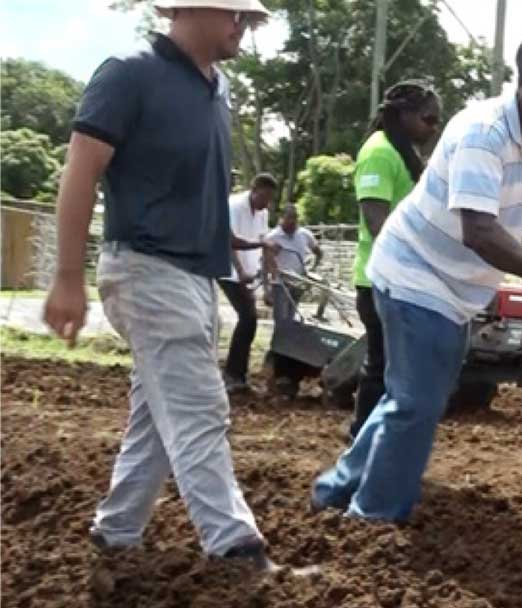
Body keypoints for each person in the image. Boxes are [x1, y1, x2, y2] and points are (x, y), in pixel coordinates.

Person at [311, 30, 522, 522]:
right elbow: (479, 230)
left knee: (409, 399)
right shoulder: (484, 131)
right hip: (415, 274)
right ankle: (372, 517)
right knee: (418, 403)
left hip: (454, 291)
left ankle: (335, 490)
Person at [42, 0, 277, 570]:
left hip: (196, 276)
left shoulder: (216, 90)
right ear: (194, 10)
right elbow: (81, 171)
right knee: (199, 407)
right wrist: (67, 277)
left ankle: (116, 530)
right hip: (145, 265)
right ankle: (233, 547)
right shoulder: (130, 72)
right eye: (237, 17)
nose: (243, 29)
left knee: (158, 413)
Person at [348, 80, 442, 440]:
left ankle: (372, 441)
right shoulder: (379, 153)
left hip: (400, 280)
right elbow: (377, 223)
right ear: (403, 115)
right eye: (428, 119)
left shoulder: (402, 153)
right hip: (379, 282)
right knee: (382, 368)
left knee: (392, 368)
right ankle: (362, 441)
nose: (433, 128)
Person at [219, 172, 277, 393]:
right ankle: (233, 374)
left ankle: (237, 374)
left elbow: (264, 245)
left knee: (248, 320)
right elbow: (230, 242)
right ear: (253, 191)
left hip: (247, 273)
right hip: (228, 271)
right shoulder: (233, 206)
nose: (266, 203)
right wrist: (241, 272)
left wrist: (268, 286)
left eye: (270, 199)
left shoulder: (262, 213)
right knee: (248, 318)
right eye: (263, 197)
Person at [261, 204, 323, 397]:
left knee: (293, 325)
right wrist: (267, 288)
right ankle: (277, 369)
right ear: (282, 218)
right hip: (280, 284)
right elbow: (265, 264)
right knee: (282, 326)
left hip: (297, 284)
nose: (292, 223)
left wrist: (311, 269)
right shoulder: (273, 237)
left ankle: (288, 365)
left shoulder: (304, 235)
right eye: (289, 220)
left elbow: (318, 252)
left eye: (295, 220)